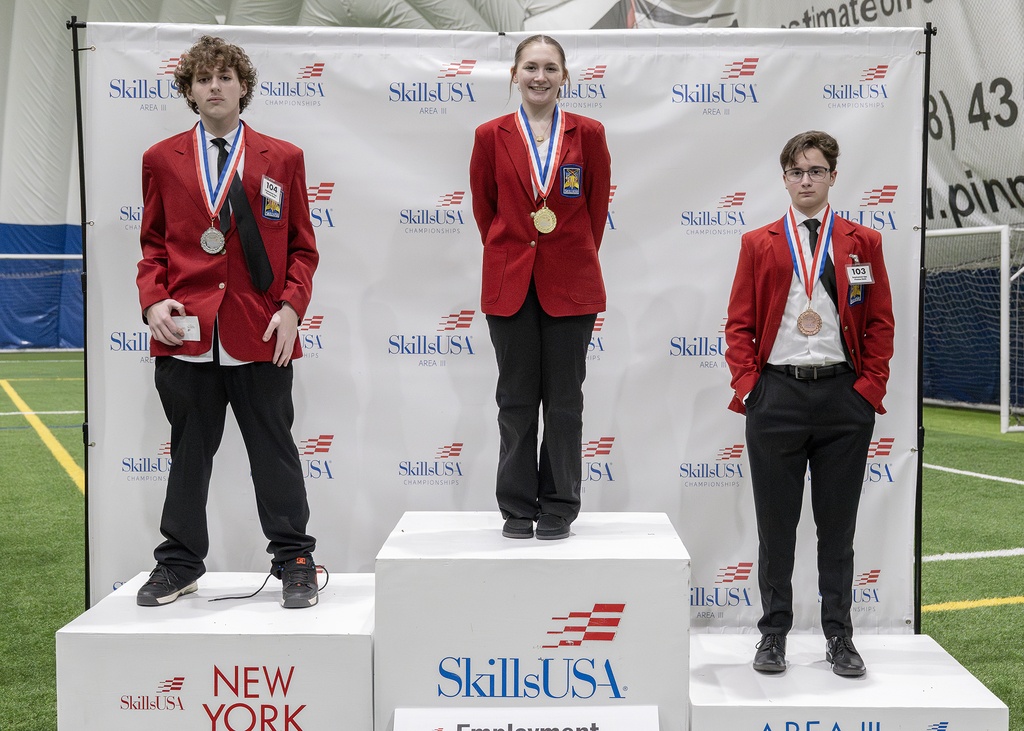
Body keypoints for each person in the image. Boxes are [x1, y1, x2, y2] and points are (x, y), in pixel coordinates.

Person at [135, 36, 320, 608]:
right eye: (202, 79)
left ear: (243, 85)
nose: (214, 86)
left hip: (260, 329)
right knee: (189, 451)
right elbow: (152, 248)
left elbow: (302, 250)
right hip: (187, 331)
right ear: (189, 91)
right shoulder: (161, 158)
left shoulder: (281, 158)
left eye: (224, 77)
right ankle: (181, 562)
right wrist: (152, 301)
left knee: (273, 448)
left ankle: (294, 558)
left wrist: (291, 309)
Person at [724, 131, 894, 676]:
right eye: (797, 171)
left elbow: (881, 323)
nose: (805, 180)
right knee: (776, 528)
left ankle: (839, 636)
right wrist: (751, 388)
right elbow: (739, 325)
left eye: (815, 171)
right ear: (784, 178)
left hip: (844, 399)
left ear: (832, 177)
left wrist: (868, 390)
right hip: (777, 395)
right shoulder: (760, 242)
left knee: (837, 527)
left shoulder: (861, 241)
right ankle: (772, 634)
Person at [469, 35, 611, 541]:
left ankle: (559, 504)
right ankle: (516, 506)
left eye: (551, 68)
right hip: (510, 284)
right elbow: (486, 212)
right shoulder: (490, 136)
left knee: (564, 400)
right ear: (514, 73)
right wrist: (518, 250)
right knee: (515, 398)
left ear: (564, 77)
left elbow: (595, 213)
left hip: (571, 285)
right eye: (530, 66)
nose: (540, 76)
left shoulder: (588, 134)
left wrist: (565, 255)